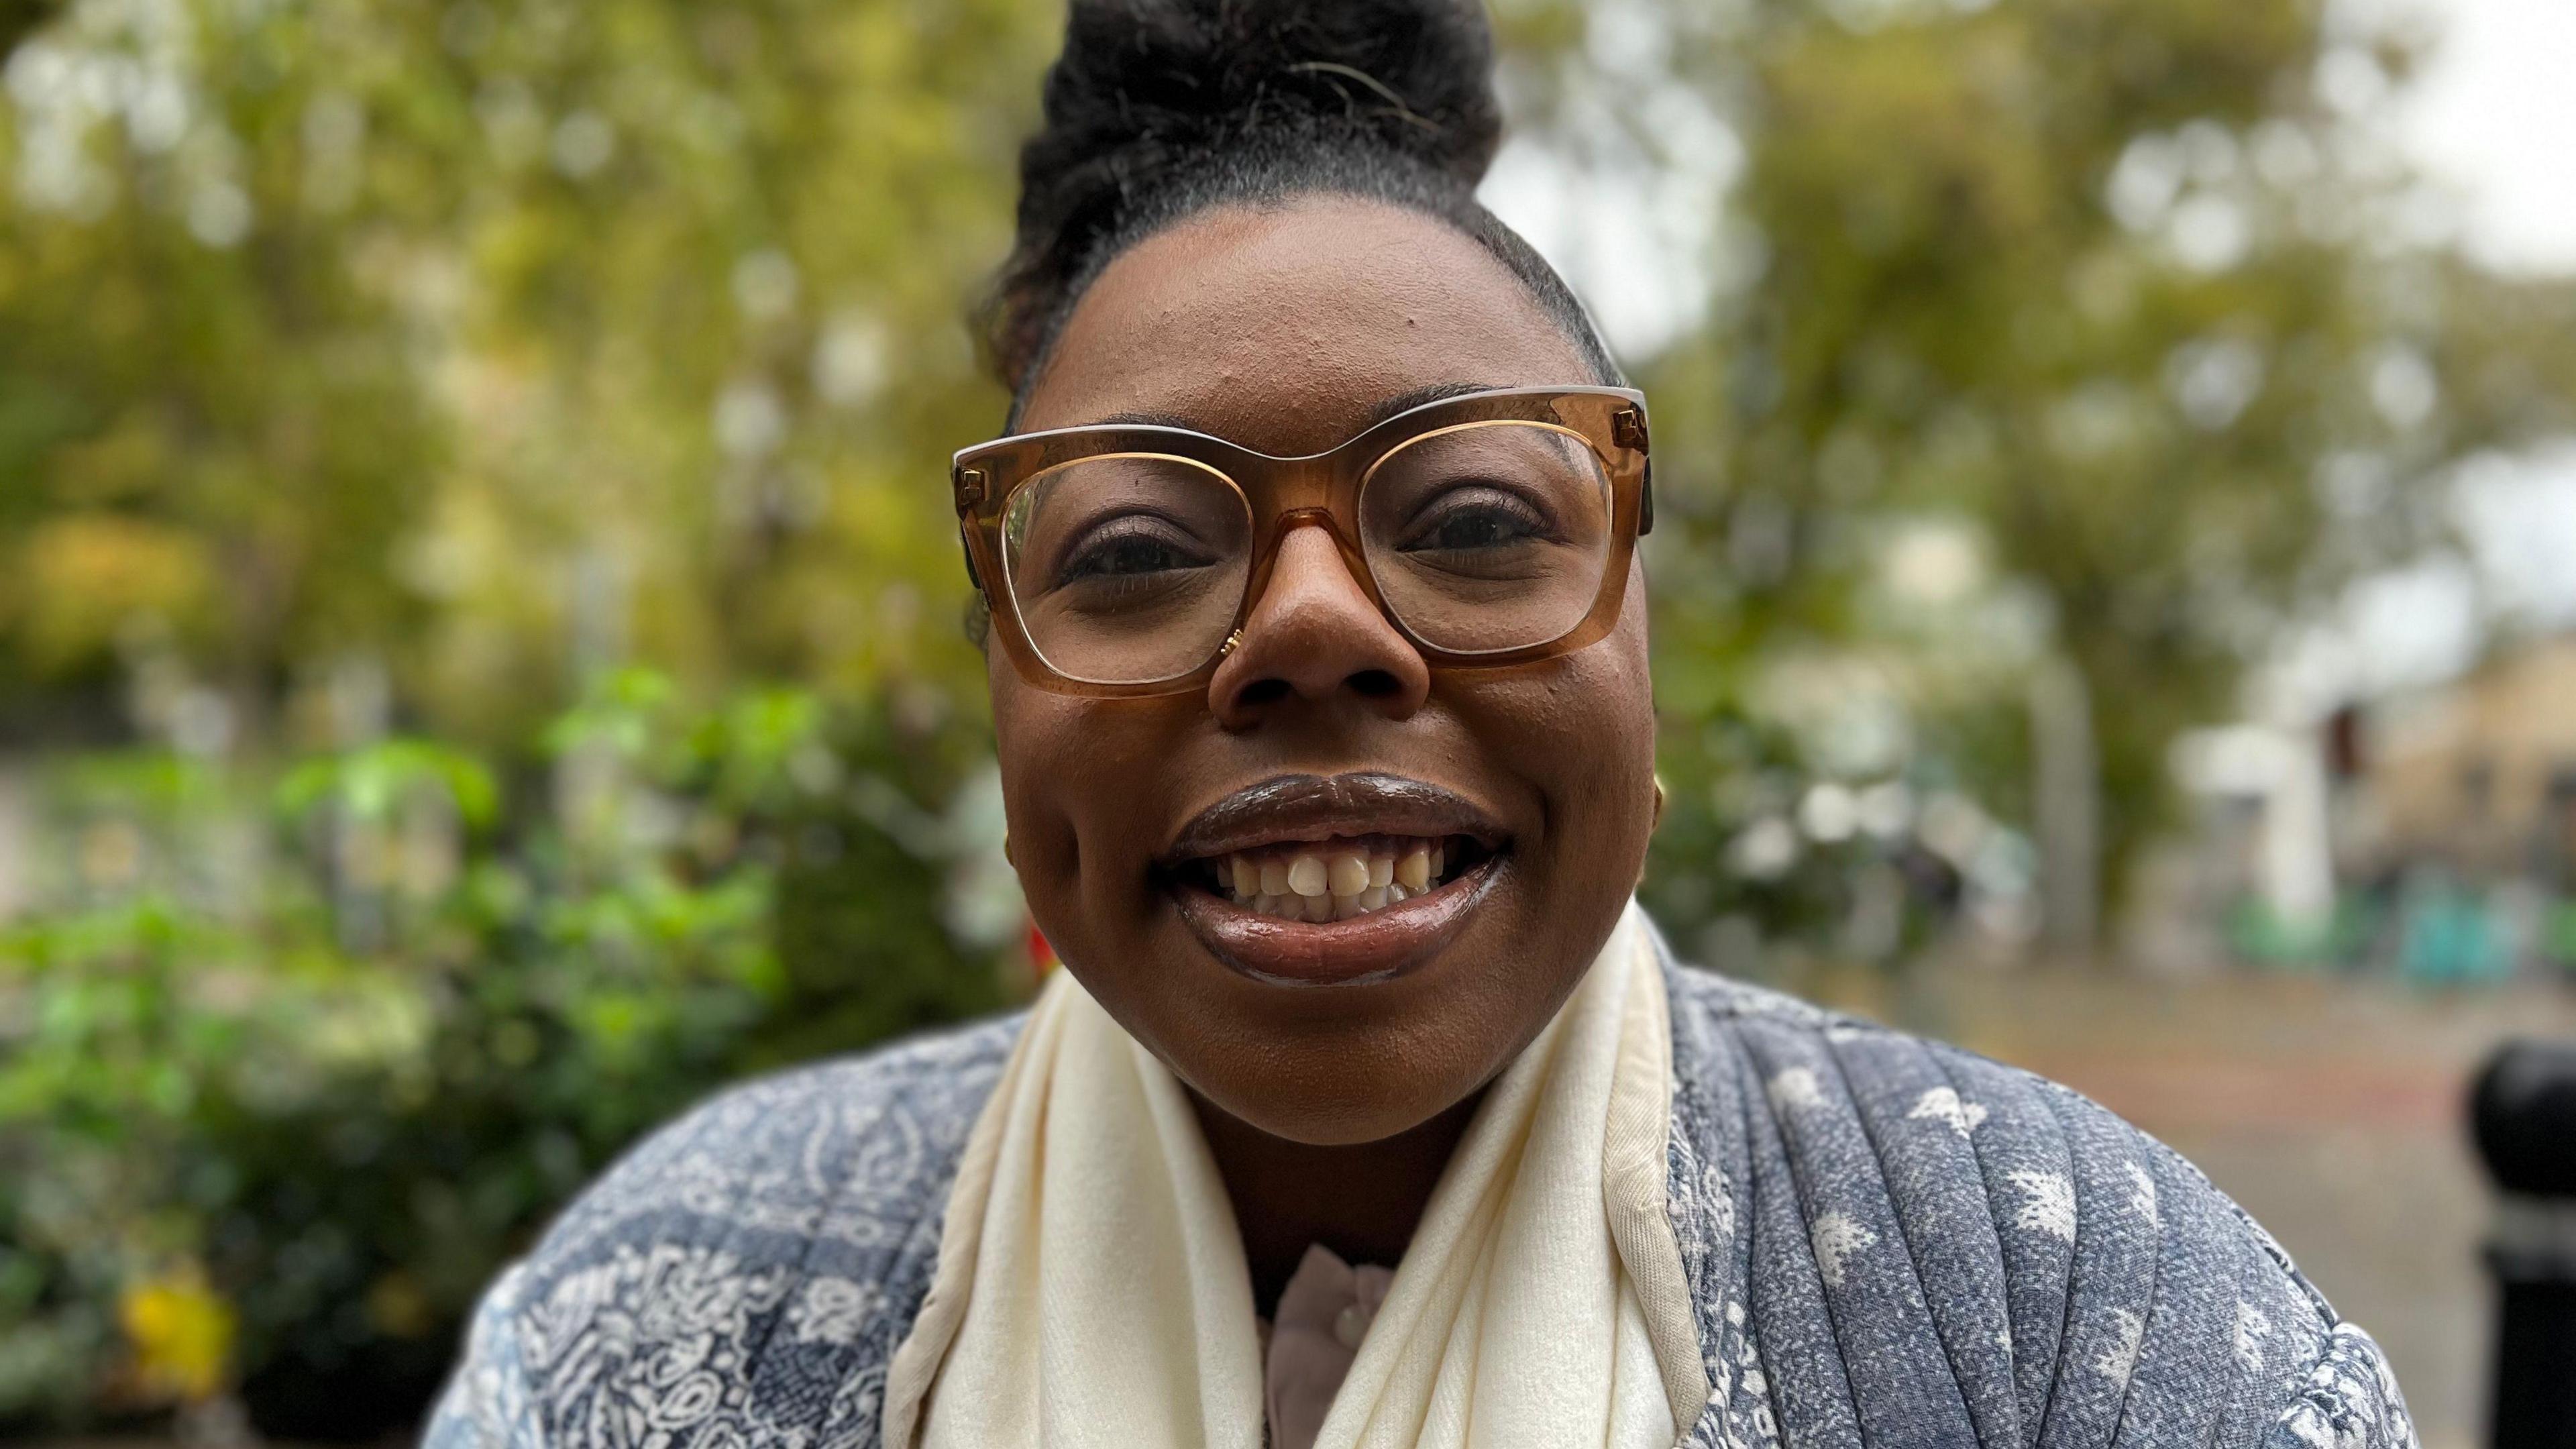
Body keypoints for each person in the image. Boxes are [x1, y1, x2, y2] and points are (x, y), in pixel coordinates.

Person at [425, 2, 2416, 1445]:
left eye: (1473, 520)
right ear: (1001, 680)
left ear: (1647, 629)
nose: (1309, 629)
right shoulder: (656, 1331)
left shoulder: (2082, 1329)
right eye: (1131, 551)